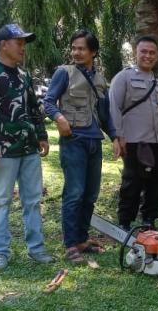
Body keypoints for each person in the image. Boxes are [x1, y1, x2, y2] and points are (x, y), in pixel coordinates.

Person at [0, 24, 53, 270]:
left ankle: (36, 249)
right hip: (2, 149)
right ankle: (0, 253)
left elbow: (33, 109)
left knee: (32, 200)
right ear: (3, 44)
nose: (23, 48)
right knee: (1, 200)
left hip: (28, 149)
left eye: (24, 43)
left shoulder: (23, 75)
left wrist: (41, 135)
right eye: (19, 43)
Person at [43, 30, 117, 266]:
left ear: (93, 52)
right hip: (74, 140)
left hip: (94, 141)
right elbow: (47, 102)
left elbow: (104, 113)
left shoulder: (99, 78)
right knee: (74, 193)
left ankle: (82, 239)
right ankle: (70, 245)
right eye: (74, 48)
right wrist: (59, 118)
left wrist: (115, 137)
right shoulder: (64, 73)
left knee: (90, 194)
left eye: (82, 48)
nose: (76, 52)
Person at [108, 36, 158, 230]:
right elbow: (114, 108)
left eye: (152, 52)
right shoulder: (124, 77)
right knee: (132, 183)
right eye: (143, 51)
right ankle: (124, 223)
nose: (148, 56)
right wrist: (118, 137)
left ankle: (149, 220)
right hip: (133, 140)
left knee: (157, 183)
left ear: (157, 56)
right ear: (135, 53)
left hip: (157, 142)